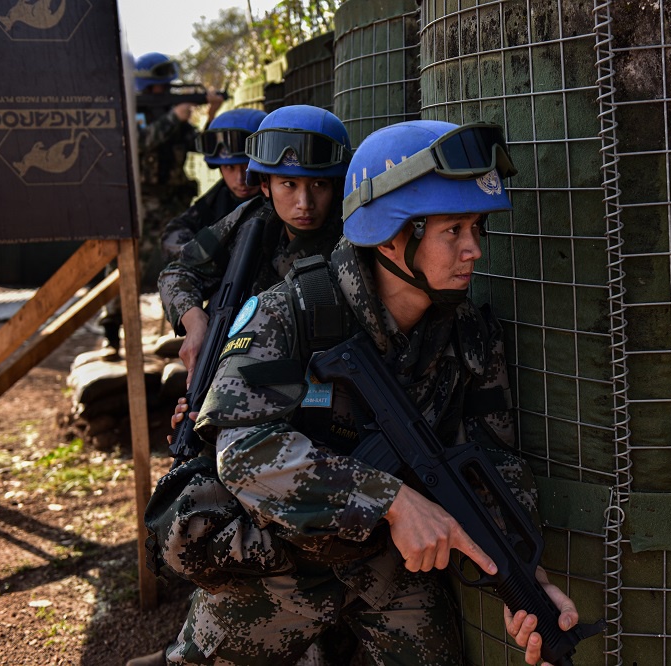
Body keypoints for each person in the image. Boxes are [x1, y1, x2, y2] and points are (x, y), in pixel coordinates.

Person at [154, 120, 580, 665]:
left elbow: (491, 465)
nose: (473, 249)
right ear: (392, 234)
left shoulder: (469, 332)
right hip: (277, 558)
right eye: (453, 230)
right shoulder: (288, 312)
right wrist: (394, 502)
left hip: (387, 567)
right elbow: (243, 451)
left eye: (477, 227)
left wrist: (524, 578)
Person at [158, 104, 350, 387]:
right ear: (265, 185)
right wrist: (194, 320)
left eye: (319, 184)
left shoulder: (351, 237)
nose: (304, 203)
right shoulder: (254, 219)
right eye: (288, 184)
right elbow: (178, 271)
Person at [99, 52, 224, 350]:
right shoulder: (135, 112)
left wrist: (211, 115)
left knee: (184, 263)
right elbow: (138, 144)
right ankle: (110, 328)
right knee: (127, 265)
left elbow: (206, 151)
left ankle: (181, 325)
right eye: (159, 88)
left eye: (167, 87)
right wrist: (173, 117)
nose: (164, 93)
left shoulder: (177, 119)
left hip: (173, 204)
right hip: (140, 204)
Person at [160, 107, 266, 262]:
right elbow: (173, 235)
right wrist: (209, 255)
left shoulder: (280, 199)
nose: (240, 179)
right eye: (230, 168)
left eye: (247, 167)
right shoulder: (217, 199)